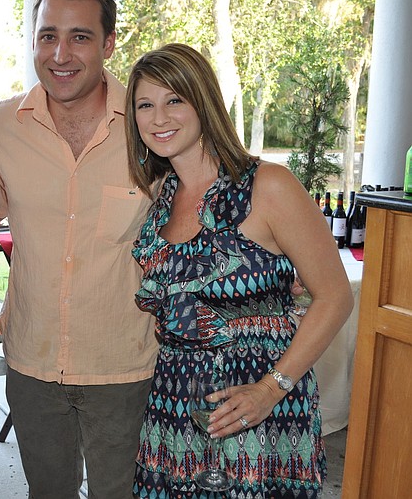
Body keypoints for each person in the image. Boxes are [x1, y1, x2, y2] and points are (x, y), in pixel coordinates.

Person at [125, 42, 353, 497]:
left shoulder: (267, 186)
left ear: (204, 103)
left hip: (259, 410)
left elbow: (335, 297)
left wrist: (271, 389)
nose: (159, 118)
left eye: (175, 100)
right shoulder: (161, 196)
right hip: (175, 406)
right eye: (145, 105)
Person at [0, 0, 159, 498]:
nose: (60, 54)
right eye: (47, 35)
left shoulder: (150, 125)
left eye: (80, 37)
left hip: (125, 365)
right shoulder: (1, 125)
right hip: (33, 362)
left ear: (108, 43)